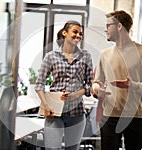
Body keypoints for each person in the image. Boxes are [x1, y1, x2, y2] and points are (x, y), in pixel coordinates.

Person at [92, 10, 142, 150]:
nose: (106, 29)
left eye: (108, 25)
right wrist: (97, 89)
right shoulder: (104, 54)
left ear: (119, 26)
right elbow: (96, 83)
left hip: (135, 116)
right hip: (109, 116)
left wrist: (133, 85)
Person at [35, 20, 93, 150]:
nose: (78, 36)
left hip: (77, 113)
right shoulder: (51, 56)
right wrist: (45, 105)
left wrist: (76, 94)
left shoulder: (86, 56)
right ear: (65, 33)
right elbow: (39, 85)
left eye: (80, 33)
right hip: (54, 112)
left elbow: (90, 84)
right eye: (75, 32)